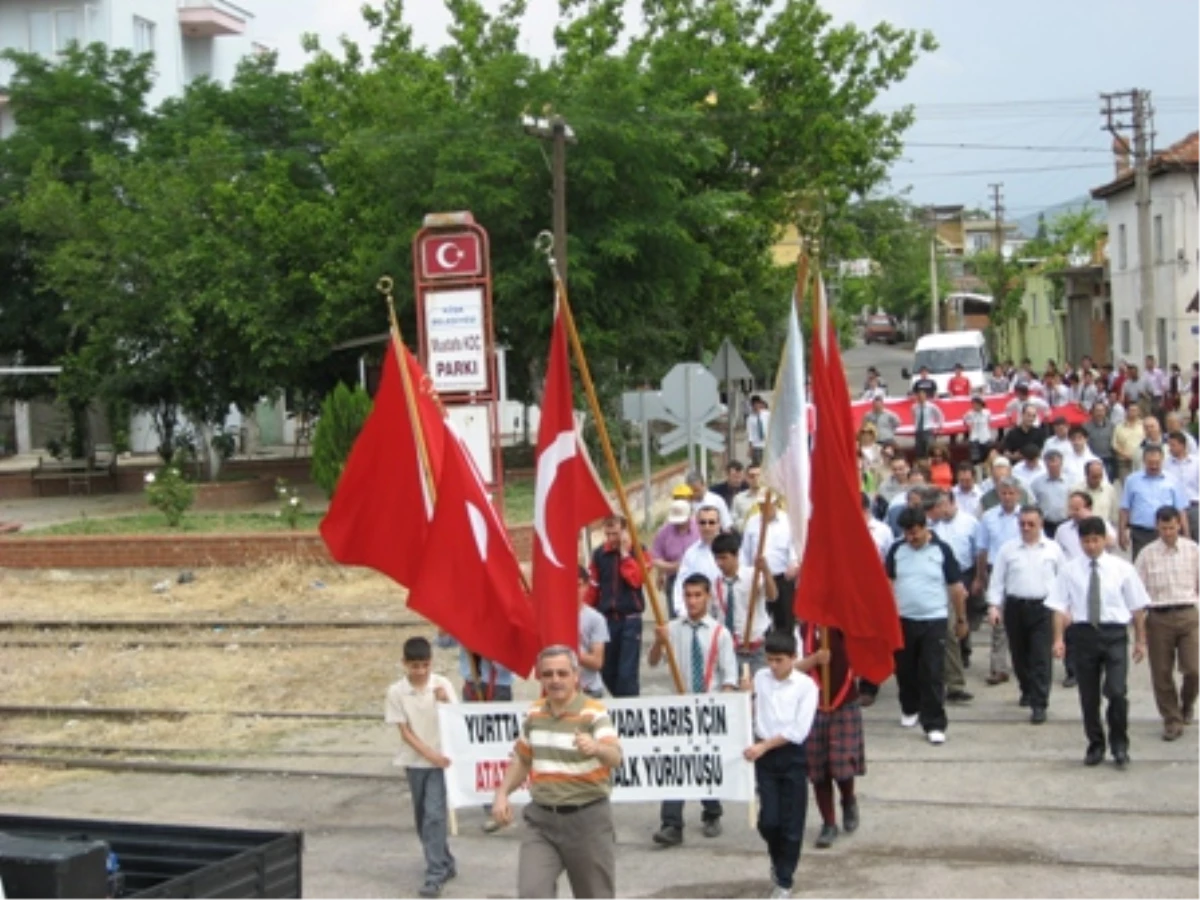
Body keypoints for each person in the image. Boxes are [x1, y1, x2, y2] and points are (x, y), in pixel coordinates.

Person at [492, 646, 623, 899]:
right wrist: (501, 793)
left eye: (562, 673)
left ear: (576, 676)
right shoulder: (534, 713)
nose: (555, 680)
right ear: (540, 677)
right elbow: (522, 757)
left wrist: (597, 747)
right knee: (532, 893)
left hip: (587, 821)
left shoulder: (593, 712)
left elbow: (616, 756)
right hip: (541, 821)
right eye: (548, 674)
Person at [1049, 517, 1150, 768]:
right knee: (1089, 695)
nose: (1091, 546)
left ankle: (1119, 745)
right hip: (1084, 634)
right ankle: (1095, 743)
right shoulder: (1070, 570)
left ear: (1105, 540)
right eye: (1086, 541)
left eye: (1096, 540)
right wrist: (1059, 639)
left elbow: (1137, 607)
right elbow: (1059, 607)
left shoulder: (1121, 569)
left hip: (1114, 633)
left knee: (1116, 692)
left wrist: (1141, 641)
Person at [650, 573, 740, 846]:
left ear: (707, 597)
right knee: (677, 762)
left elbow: (729, 676)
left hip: (708, 704)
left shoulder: (719, 633)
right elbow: (653, 662)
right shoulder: (672, 628)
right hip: (680, 704)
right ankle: (671, 823)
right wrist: (658, 641)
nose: (692, 601)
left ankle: (712, 811)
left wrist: (723, 707)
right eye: (688, 595)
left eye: (697, 595)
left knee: (703, 762)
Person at [745, 630, 818, 900]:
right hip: (764, 758)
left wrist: (764, 746)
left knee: (792, 823)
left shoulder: (806, 687)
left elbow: (798, 731)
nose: (773, 666)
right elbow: (751, 709)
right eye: (769, 660)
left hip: (792, 757)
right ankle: (778, 862)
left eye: (779, 660)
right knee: (769, 821)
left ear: (792, 658)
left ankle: (785, 879)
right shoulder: (761, 678)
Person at [884, 507, 967, 745]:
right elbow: (889, 582)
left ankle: (934, 723)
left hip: (934, 618)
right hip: (903, 619)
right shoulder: (897, 550)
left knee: (932, 672)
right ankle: (910, 707)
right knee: (905, 668)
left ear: (925, 527)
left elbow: (955, 588)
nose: (912, 538)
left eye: (916, 533)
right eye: (907, 534)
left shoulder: (942, 551)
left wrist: (961, 619)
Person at [385, 637, 458, 898]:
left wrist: (445, 702)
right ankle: (445, 860)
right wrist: (429, 754)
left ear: (431, 663)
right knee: (421, 817)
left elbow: (456, 720)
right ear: (405, 664)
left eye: (425, 665)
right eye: (415, 666)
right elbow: (404, 732)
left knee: (434, 814)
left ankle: (435, 872)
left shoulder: (442, 684)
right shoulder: (396, 691)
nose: (420, 671)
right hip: (415, 761)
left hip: (440, 762)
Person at [986, 506, 1065, 724]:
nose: (1026, 528)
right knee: (1020, 655)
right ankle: (1027, 688)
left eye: (1031, 524)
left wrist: (1066, 608)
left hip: (1044, 608)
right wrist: (994, 605)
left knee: (1041, 656)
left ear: (1040, 524)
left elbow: (1064, 579)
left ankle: (1040, 703)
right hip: (1015, 606)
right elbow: (997, 580)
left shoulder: (1053, 549)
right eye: (1022, 524)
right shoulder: (1008, 550)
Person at [794, 625, 863, 852]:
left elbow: (861, 656)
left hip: (844, 702)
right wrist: (814, 659)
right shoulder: (801, 631)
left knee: (841, 764)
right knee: (818, 768)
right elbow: (791, 668)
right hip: (812, 706)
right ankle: (829, 823)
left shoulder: (844, 627)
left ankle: (848, 799)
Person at [1133, 506, 1200, 741]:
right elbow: (1137, 594)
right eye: (1163, 529)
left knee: (1194, 669)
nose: (1168, 533)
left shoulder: (1193, 551)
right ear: (1157, 527)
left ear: (1179, 525)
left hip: (1188, 613)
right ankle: (1171, 719)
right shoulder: (1147, 554)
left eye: (1172, 528)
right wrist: (1139, 633)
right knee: (1161, 672)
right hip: (1159, 615)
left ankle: (1187, 702)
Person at [587, 515, 646, 697]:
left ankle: (629, 707)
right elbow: (593, 588)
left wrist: (625, 554)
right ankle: (622, 702)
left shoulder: (639, 550)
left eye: (615, 532)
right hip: (607, 621)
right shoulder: (599, 555)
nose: (611, 536)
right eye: (608, 531)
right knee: (606, 670)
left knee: (627, 675)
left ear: (624, 530)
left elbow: (636, 580)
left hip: (630, 620)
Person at [974, 478, 1023, 686]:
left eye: (1011, 493)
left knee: (1020, 621)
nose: (1008, 497)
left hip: (1021, 571)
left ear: (1018, 495)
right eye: (1004, 493)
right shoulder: (989, 517)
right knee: (997, 620)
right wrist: (980, 575)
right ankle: (998, 667)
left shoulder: (1026, 516)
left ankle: (1023, 663)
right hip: (996, 570)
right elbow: (982, 548)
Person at [931, 489, 979, 698]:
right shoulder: (930, 527)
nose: (941, 509)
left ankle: (955, 683)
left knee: (952, 632)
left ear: (953, 503)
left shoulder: (969, 522)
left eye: (944, 505)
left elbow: (978, 551)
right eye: (938, 506)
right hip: (934, 585)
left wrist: (977, 578)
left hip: (959, 576)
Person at [713, 531, 774, 675]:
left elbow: (772, 596)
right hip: (730, 649)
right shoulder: (715, 584)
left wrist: (765, 571)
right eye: (716, 558)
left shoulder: (752, 575)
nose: (719, 563)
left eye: (724, 558)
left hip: (756, 647)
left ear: (736, 556)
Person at [739, 492, 797, 633]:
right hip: (758, 579)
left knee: (784, 620)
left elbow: (794, 546)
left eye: (767, 505)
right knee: (760, 621)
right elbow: (745, 551)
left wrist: (793, 564)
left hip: (781, 578)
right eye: (761, 505)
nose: (764, 508)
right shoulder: (752, 522)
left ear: (775, 504)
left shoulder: (788, 521)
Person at [1119, 444, 1189, 560]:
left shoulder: (1172, 480)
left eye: (1157, 462)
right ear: (1143, 461)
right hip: (1141, 532)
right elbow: (1124, 508)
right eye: (1150, 463)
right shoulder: (1132, 480)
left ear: (1162, 460)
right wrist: (1121, 533)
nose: (1154, 466)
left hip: (1168, 532)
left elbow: (1181, 509)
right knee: (1141, 565)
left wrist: (1186, 534)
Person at [674, 505, 723, 617]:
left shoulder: (732, 550)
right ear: (697, 524)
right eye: (702, 522)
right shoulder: (691, 553)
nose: (707, 527)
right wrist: (682, 612)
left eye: (711, 522)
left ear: (719, 524)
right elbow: (681, 583)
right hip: (700, 615)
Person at [652, 499, 699, 613]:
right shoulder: (664, 532)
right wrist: (670, 567)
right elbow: (656, 558)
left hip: (698, 577)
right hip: (674, 578)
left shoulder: (699, 528)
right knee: (676, 616)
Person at [577, 567, 610, 699]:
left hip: (589, 690)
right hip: (560, 691)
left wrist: (570, 649)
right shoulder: (551, 617)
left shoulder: (596, 618)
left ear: (586, 586)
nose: (573, 590)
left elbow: (597, 662)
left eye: (578, 585)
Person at [1163, 431, 1200, 539]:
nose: (1170, 448)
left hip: (1194, 504)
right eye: (1169, 445)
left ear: (1182, 445)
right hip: (1174, 507)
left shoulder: (1197, 463)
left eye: (1173, 445)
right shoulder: (1166, 464)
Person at [1031, 450, 1070, 538]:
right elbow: (1033, 503)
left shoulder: (1070, 481)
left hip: (1065, 523)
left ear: (1061, 462)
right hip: (1046, 525)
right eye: (1049, 462)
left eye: (1054, 461)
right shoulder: (1037, 483)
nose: (1052, 465)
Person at [1073, 459, 1120, 525]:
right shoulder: (1076, 490)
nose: (1098, 480)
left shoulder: (1110, 490)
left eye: (1100, 476)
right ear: (1086, 475)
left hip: (1104, 531)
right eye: (1094, 477)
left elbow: (1115, 516)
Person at [1084, 401, 1117, 482]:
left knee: (1108, 484)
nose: (1100, 413)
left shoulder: (1112, 426)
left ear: (1105, 412)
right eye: (1097, 411)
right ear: (1092, 412)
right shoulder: (1085, 427)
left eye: (1102, 410)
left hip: (1108, 460)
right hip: (1092, 460)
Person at [1112, 404, 1145, 480]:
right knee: (1126, 485)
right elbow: (1114, 444)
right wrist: (1125, 455)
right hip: (1124, 463)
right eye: (1131, 410)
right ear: (1126, 412)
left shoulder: (1143, 425)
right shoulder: (1119, 427)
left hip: (1140, 461)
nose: (1133, 412)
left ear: (1139, 412)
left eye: (1135, 410)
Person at [911, 389, 944, 458]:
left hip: (928, 430)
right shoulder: (914, 407)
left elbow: (939, 415)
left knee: (929, 448)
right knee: (919, 449)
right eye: (919, 396)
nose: (920, 398)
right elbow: (914, 417)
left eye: (922, 396)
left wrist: (939, 426)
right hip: (918, 430)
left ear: (925, 396)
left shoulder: (931, 406)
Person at [963, 396, 994, 466]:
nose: (975, 406)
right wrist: (969, 424)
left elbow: (989, 420)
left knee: (987, 457)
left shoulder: (987, 413)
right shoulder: (970, 413)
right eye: (973, 404)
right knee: (975, 458)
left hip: (985, 437)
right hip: (974, 437)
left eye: (977, 404)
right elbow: (965, 419)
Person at [733, 463, 764, 530]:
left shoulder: (771, 497)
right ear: (746, 478)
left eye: (758, 475)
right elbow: (734, 520)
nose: (756, 479)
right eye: (752, 476)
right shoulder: (738, 498)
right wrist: (748, 523)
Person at [748, 395, 771, 466]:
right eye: (754, 404)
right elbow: (750, 434)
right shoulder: (750, 418)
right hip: (756, 446)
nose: (756, 406)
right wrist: (750, 448)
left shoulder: (767, 414)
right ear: (752, 405)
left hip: (767, 444)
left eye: (758, 403)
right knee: (758, 465)